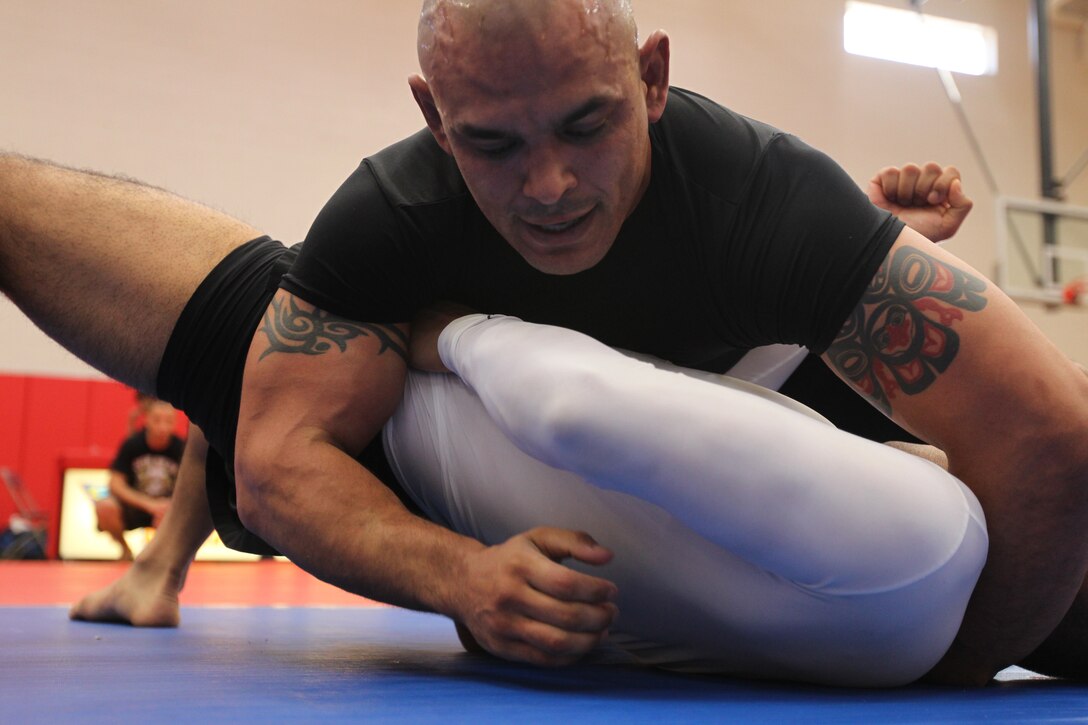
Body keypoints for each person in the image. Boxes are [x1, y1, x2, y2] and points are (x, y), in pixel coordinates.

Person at [3, 0, 1085, 684]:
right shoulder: (396, 211)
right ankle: (165, 555)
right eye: (492, 144)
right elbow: (277, 446)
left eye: (586, 123)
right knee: (273, 333)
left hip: (768, 409)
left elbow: (1046, 436)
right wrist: (458, 576)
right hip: (580, 448)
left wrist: (945, 671)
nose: (550, 186)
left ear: (651, 79)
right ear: (434, 115)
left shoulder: (765, 202)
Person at [94, 400, 185, 561]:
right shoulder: (132, 444)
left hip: (166, 509)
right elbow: (115, 483)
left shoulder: (182, 448)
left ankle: (162, 556)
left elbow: (191, 488)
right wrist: (148, 504)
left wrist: (171, 505)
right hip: (135, 506)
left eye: (168, 421)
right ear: (147, 419)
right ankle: (125, 550)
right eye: (157, 420)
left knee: (190, 512)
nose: (163, 427)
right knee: (104, 507)